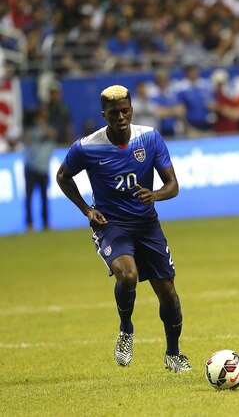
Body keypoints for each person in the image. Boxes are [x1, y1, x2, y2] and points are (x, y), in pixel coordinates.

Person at [55, 85, 192, 373]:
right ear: (103, 114)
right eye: (114, 112)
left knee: (169, 294)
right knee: (127, 275)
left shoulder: (150, 138)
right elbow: (63, 177)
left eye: (125, 110)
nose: (120, 117)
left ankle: (173, 354)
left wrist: (155, 195)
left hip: (147, 225)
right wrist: (87, 210)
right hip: (111, 225)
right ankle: (126, 329)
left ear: (132, 109)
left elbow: (173, 185)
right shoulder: (86, 147)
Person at [23, 105, 56, 231]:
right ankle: (29, 223)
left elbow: (52, 135)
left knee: (44, 197)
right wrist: (27, 124)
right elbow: (26, 139)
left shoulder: (49, 128)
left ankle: (46, 222)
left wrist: (42, 124)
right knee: (29, 197)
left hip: (44, 168)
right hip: (31, 167)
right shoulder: (30, 130)